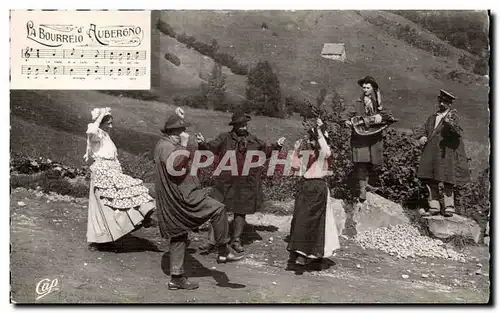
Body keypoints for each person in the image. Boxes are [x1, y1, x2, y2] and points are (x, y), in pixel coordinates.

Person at [154, 107, 244, 291]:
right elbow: (176, 164)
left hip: (176, 196)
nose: (184, 133)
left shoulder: (167, 144)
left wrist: (183, 142)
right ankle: (223, 249)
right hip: (181, 197)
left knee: (179, 235)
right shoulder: (165, 146)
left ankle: (176, 278)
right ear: (172, 133)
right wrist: (185, 146)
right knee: (218, 209)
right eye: (180, 131)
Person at [196, 111, 285, 253]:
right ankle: (212, 241)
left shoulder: (253, 140)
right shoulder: (224, 138)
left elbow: (265, 150)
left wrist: (277, 145)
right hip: (225, 181)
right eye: (241, 125)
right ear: (235, 126)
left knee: (241, 211)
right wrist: (202, 143)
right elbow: (211, 147)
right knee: (217, 209)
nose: (244, 127)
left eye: (245, 125)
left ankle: (236, 240)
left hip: (245, 181)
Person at [84, 107, 156, 251]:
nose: (111, 126)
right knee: (104, 207)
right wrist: (100, 117)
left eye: (111, 123)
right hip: (102, 173)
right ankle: (101, 240)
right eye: (108, 123)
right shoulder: (96, 133)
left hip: (112, 171)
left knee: (122, 197)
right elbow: (91, 131)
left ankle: (143, 216)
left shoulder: (105, 135)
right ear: (101, 122)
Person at [286, 118, 340, 269]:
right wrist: (295, 151)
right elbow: (296, 167)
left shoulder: (325, 153)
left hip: (318, 188)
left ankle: (311, 254)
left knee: (314, 221)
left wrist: (319, 131)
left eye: (313, 140)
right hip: (305, 187)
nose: (310, 142)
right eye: (310, 139)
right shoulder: (309, 154)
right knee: (300, 219)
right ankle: (302, 252)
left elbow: (326, 150)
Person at [416, 89, 470, 217]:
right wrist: (422, 137)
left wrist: (450, 124)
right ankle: (434, 206)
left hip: (447, 153)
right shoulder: (432, 118)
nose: (441, 104)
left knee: (448, 178)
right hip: (431, 152)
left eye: (444, 102)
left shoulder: (453, 117)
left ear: (449, 104)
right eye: (440, 101)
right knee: (430, 177)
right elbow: (424, 130)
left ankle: (449, 207)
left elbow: (458, 133)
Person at [344, 76, 394, 202]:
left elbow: (388, 114)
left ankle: (370, 185)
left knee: (373, 161)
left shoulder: (379, 102)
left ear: (373, 88)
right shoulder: (357, 102)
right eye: (364, 87)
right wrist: (346, 121)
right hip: (360, 137)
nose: (365, 90)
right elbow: (346, 114)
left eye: (368, 87)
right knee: (361, 161)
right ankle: (362, 189)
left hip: (374, 136)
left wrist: (380, 116)